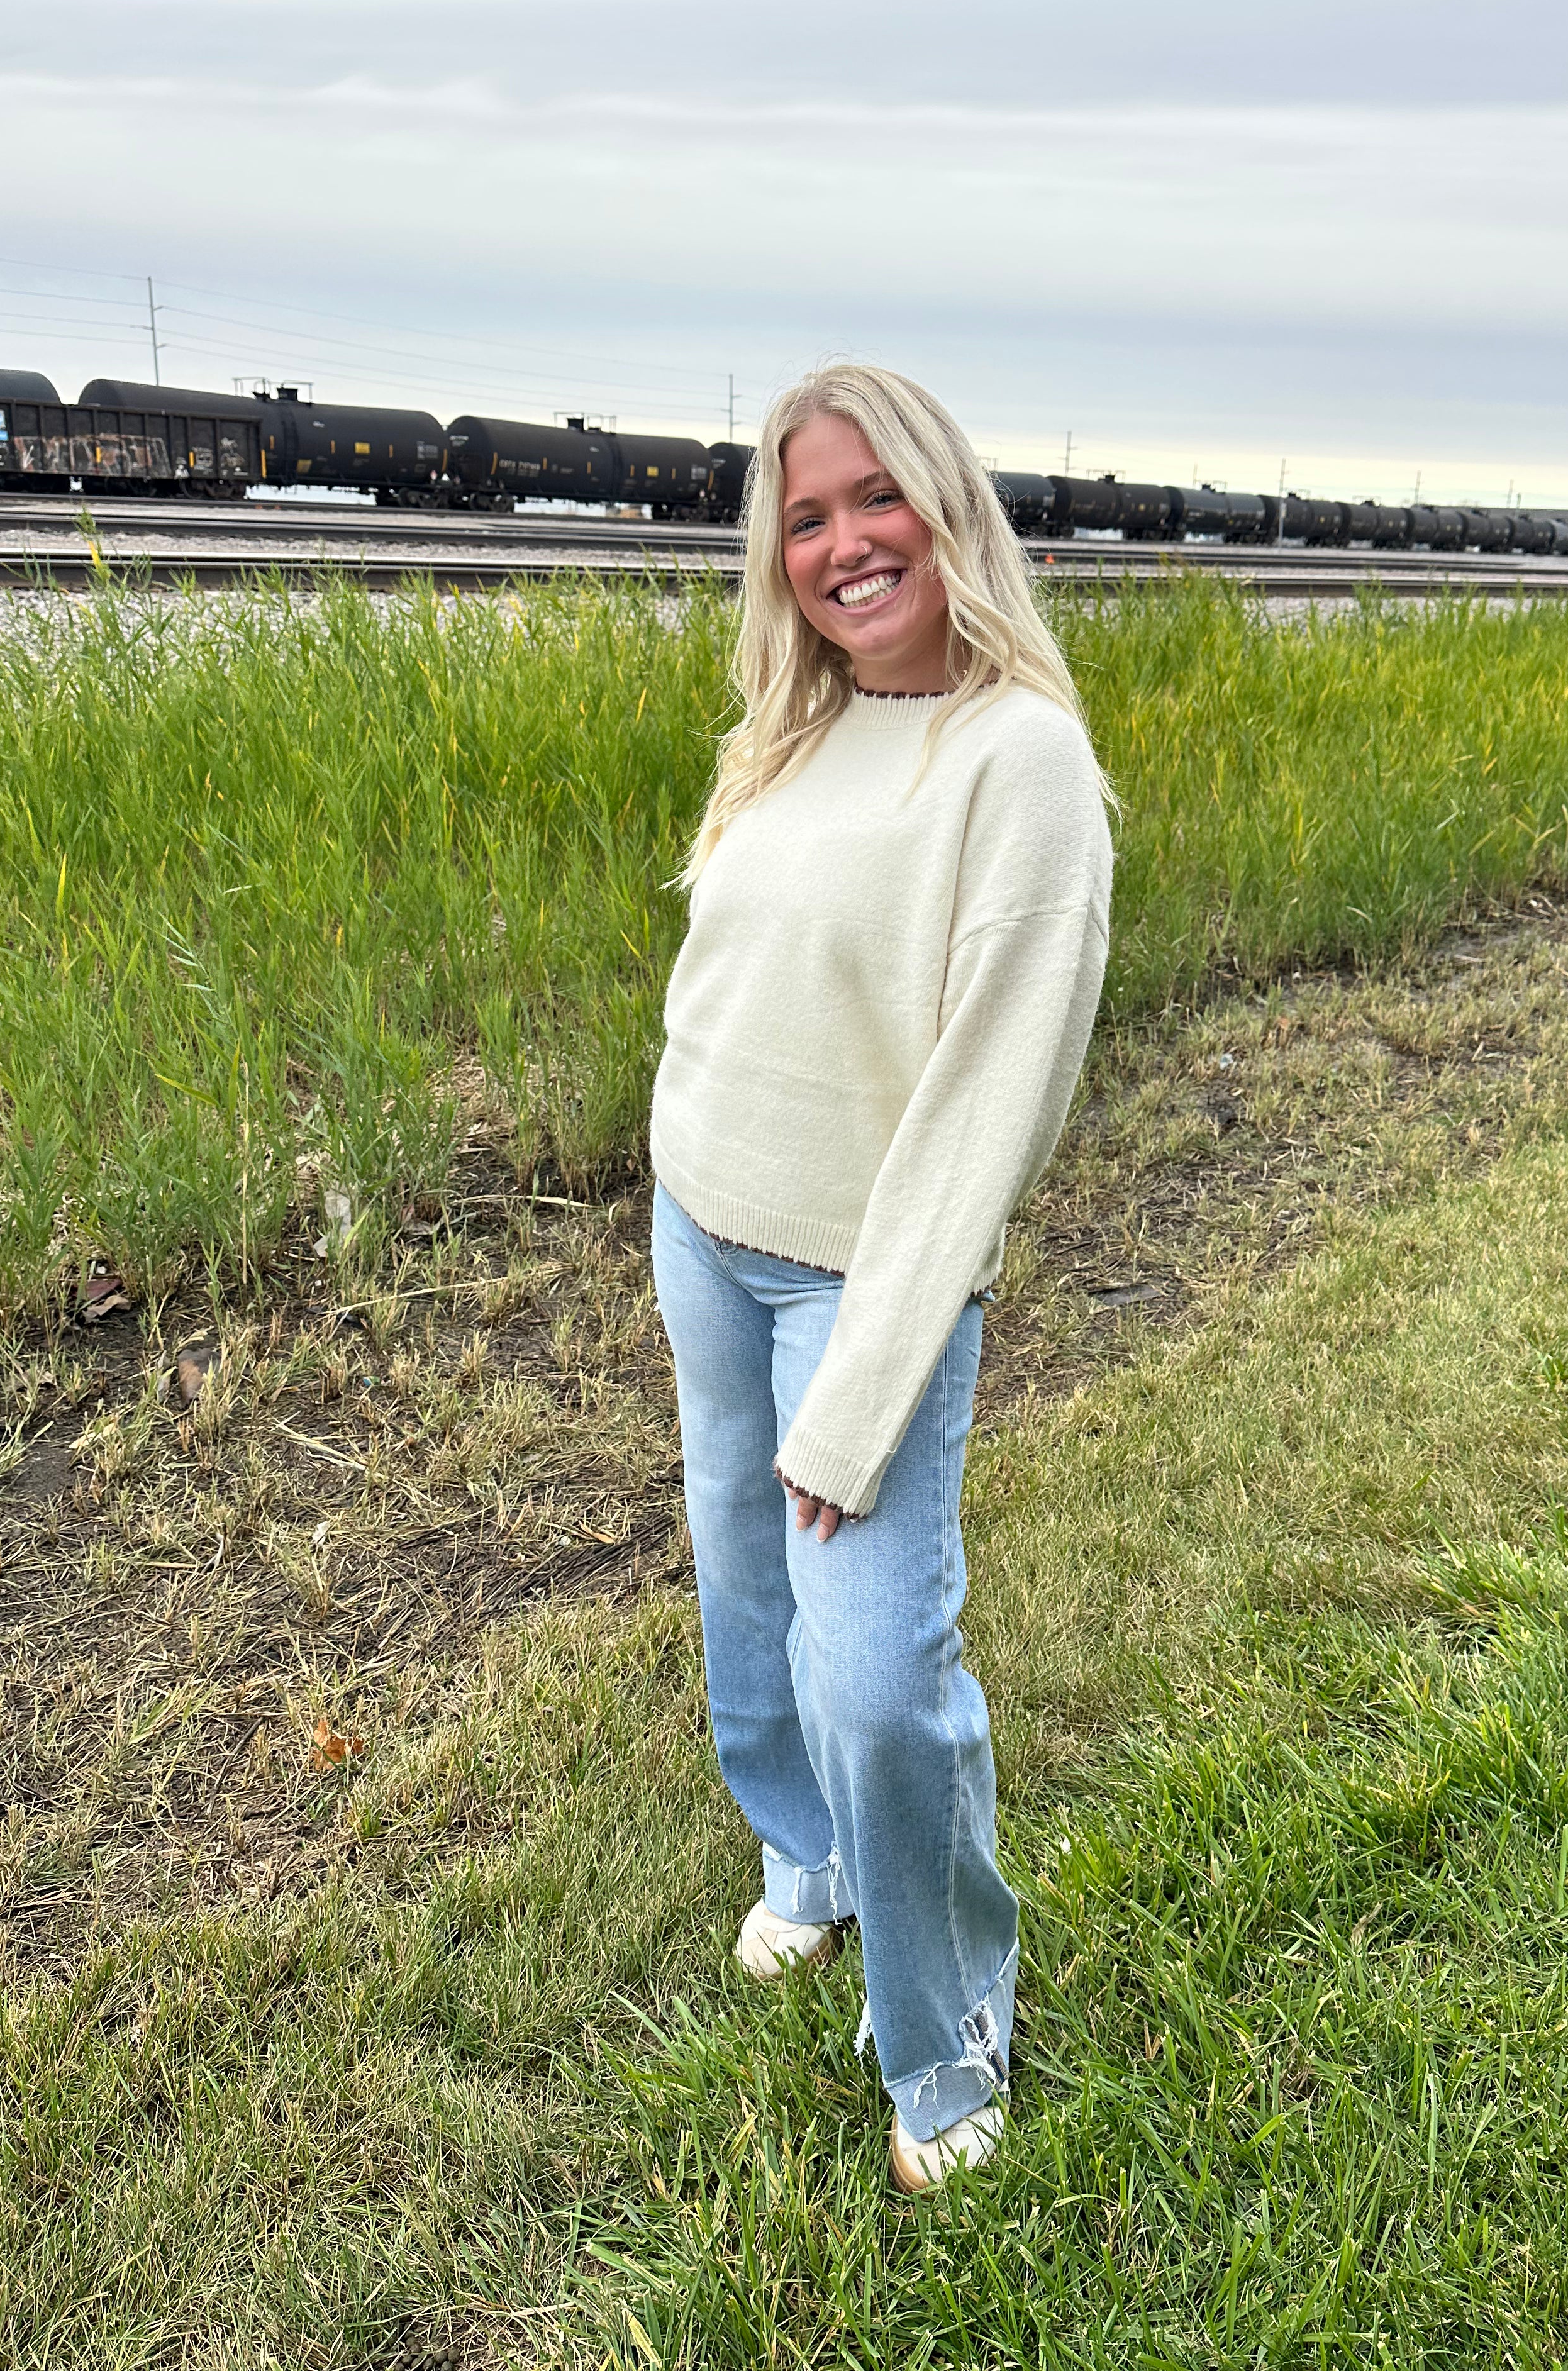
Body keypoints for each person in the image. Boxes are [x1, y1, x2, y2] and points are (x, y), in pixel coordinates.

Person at [648, 364, 1114, 2195]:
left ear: (946, 508)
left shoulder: (1021, 759)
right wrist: (670, 1172)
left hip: (865, 1281)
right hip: (704, 1228)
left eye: (873, 501)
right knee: (741, 1601)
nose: (844, 545)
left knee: (879, 1684)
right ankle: (806, 1862)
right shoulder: (794, 723)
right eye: (808, 516)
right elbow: (729, 983)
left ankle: (944, 2033)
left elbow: (984, 1118)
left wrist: (858, 1396)